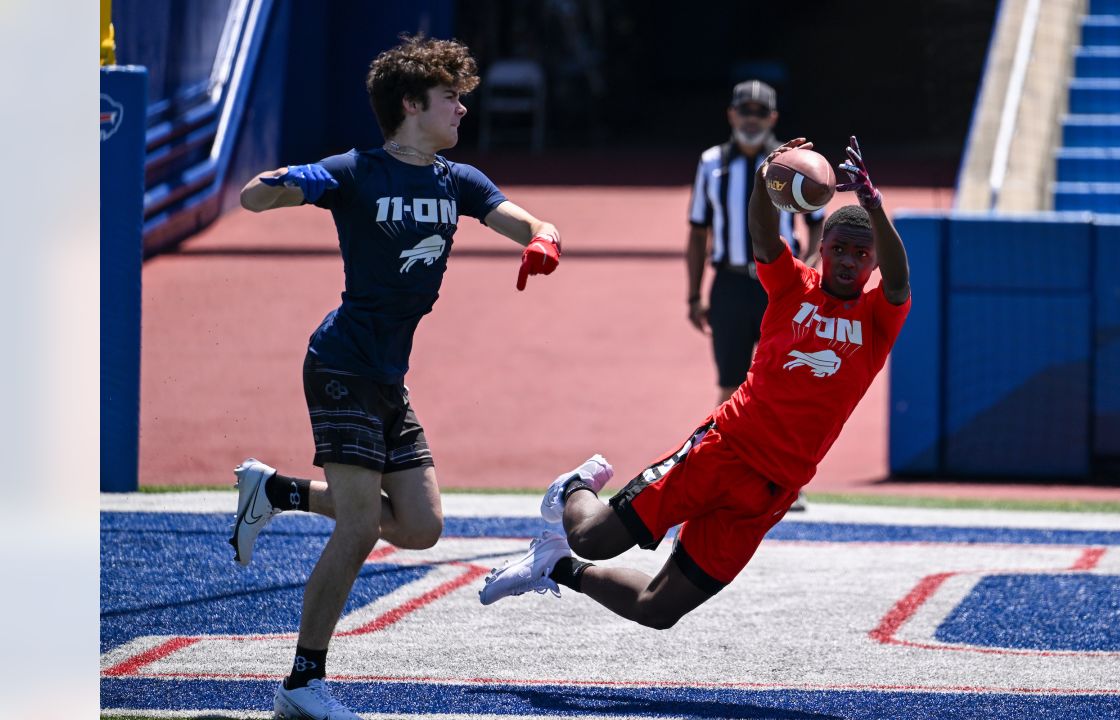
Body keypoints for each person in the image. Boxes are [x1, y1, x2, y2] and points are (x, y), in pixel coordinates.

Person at [230, 35, 563, 720]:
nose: (463, 109)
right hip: (341, 364)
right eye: (451, 98)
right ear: (412, 105)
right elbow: (250, 200)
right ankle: (302, 683)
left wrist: (541, 241)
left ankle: (276, 491)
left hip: (386, 376)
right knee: (357, 529)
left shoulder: (458, 182)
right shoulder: (356, 171)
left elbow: (528, 219)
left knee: (419, 526)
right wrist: (293, 182)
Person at [477, 136, 910, 630]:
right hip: (724, 450)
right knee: (592, 538)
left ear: (873, 261)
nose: (850, 260)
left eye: (861, 254)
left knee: (657, 610)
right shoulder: (794, 286)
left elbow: (898, 283)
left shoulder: (877, 318)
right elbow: (766, 240)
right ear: (822, 250)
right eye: (839, 250)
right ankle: (574, 488)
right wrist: (761, 184)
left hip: (773, 491)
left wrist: (873, 206)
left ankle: (554, 567)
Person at [689, 80, 824, 512]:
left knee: (780, 383)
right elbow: (698, 230)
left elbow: (819, 219)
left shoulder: (792, 164)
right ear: (731, 115)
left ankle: (785, 480)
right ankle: (720, 473)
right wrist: (693, 295)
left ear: (773, 119)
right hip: (728, 282)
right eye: (744, 110)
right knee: (731, 383)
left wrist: (812, 267)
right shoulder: (711, 162)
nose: (751, 119)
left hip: (779, 287)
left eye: (759, 112)